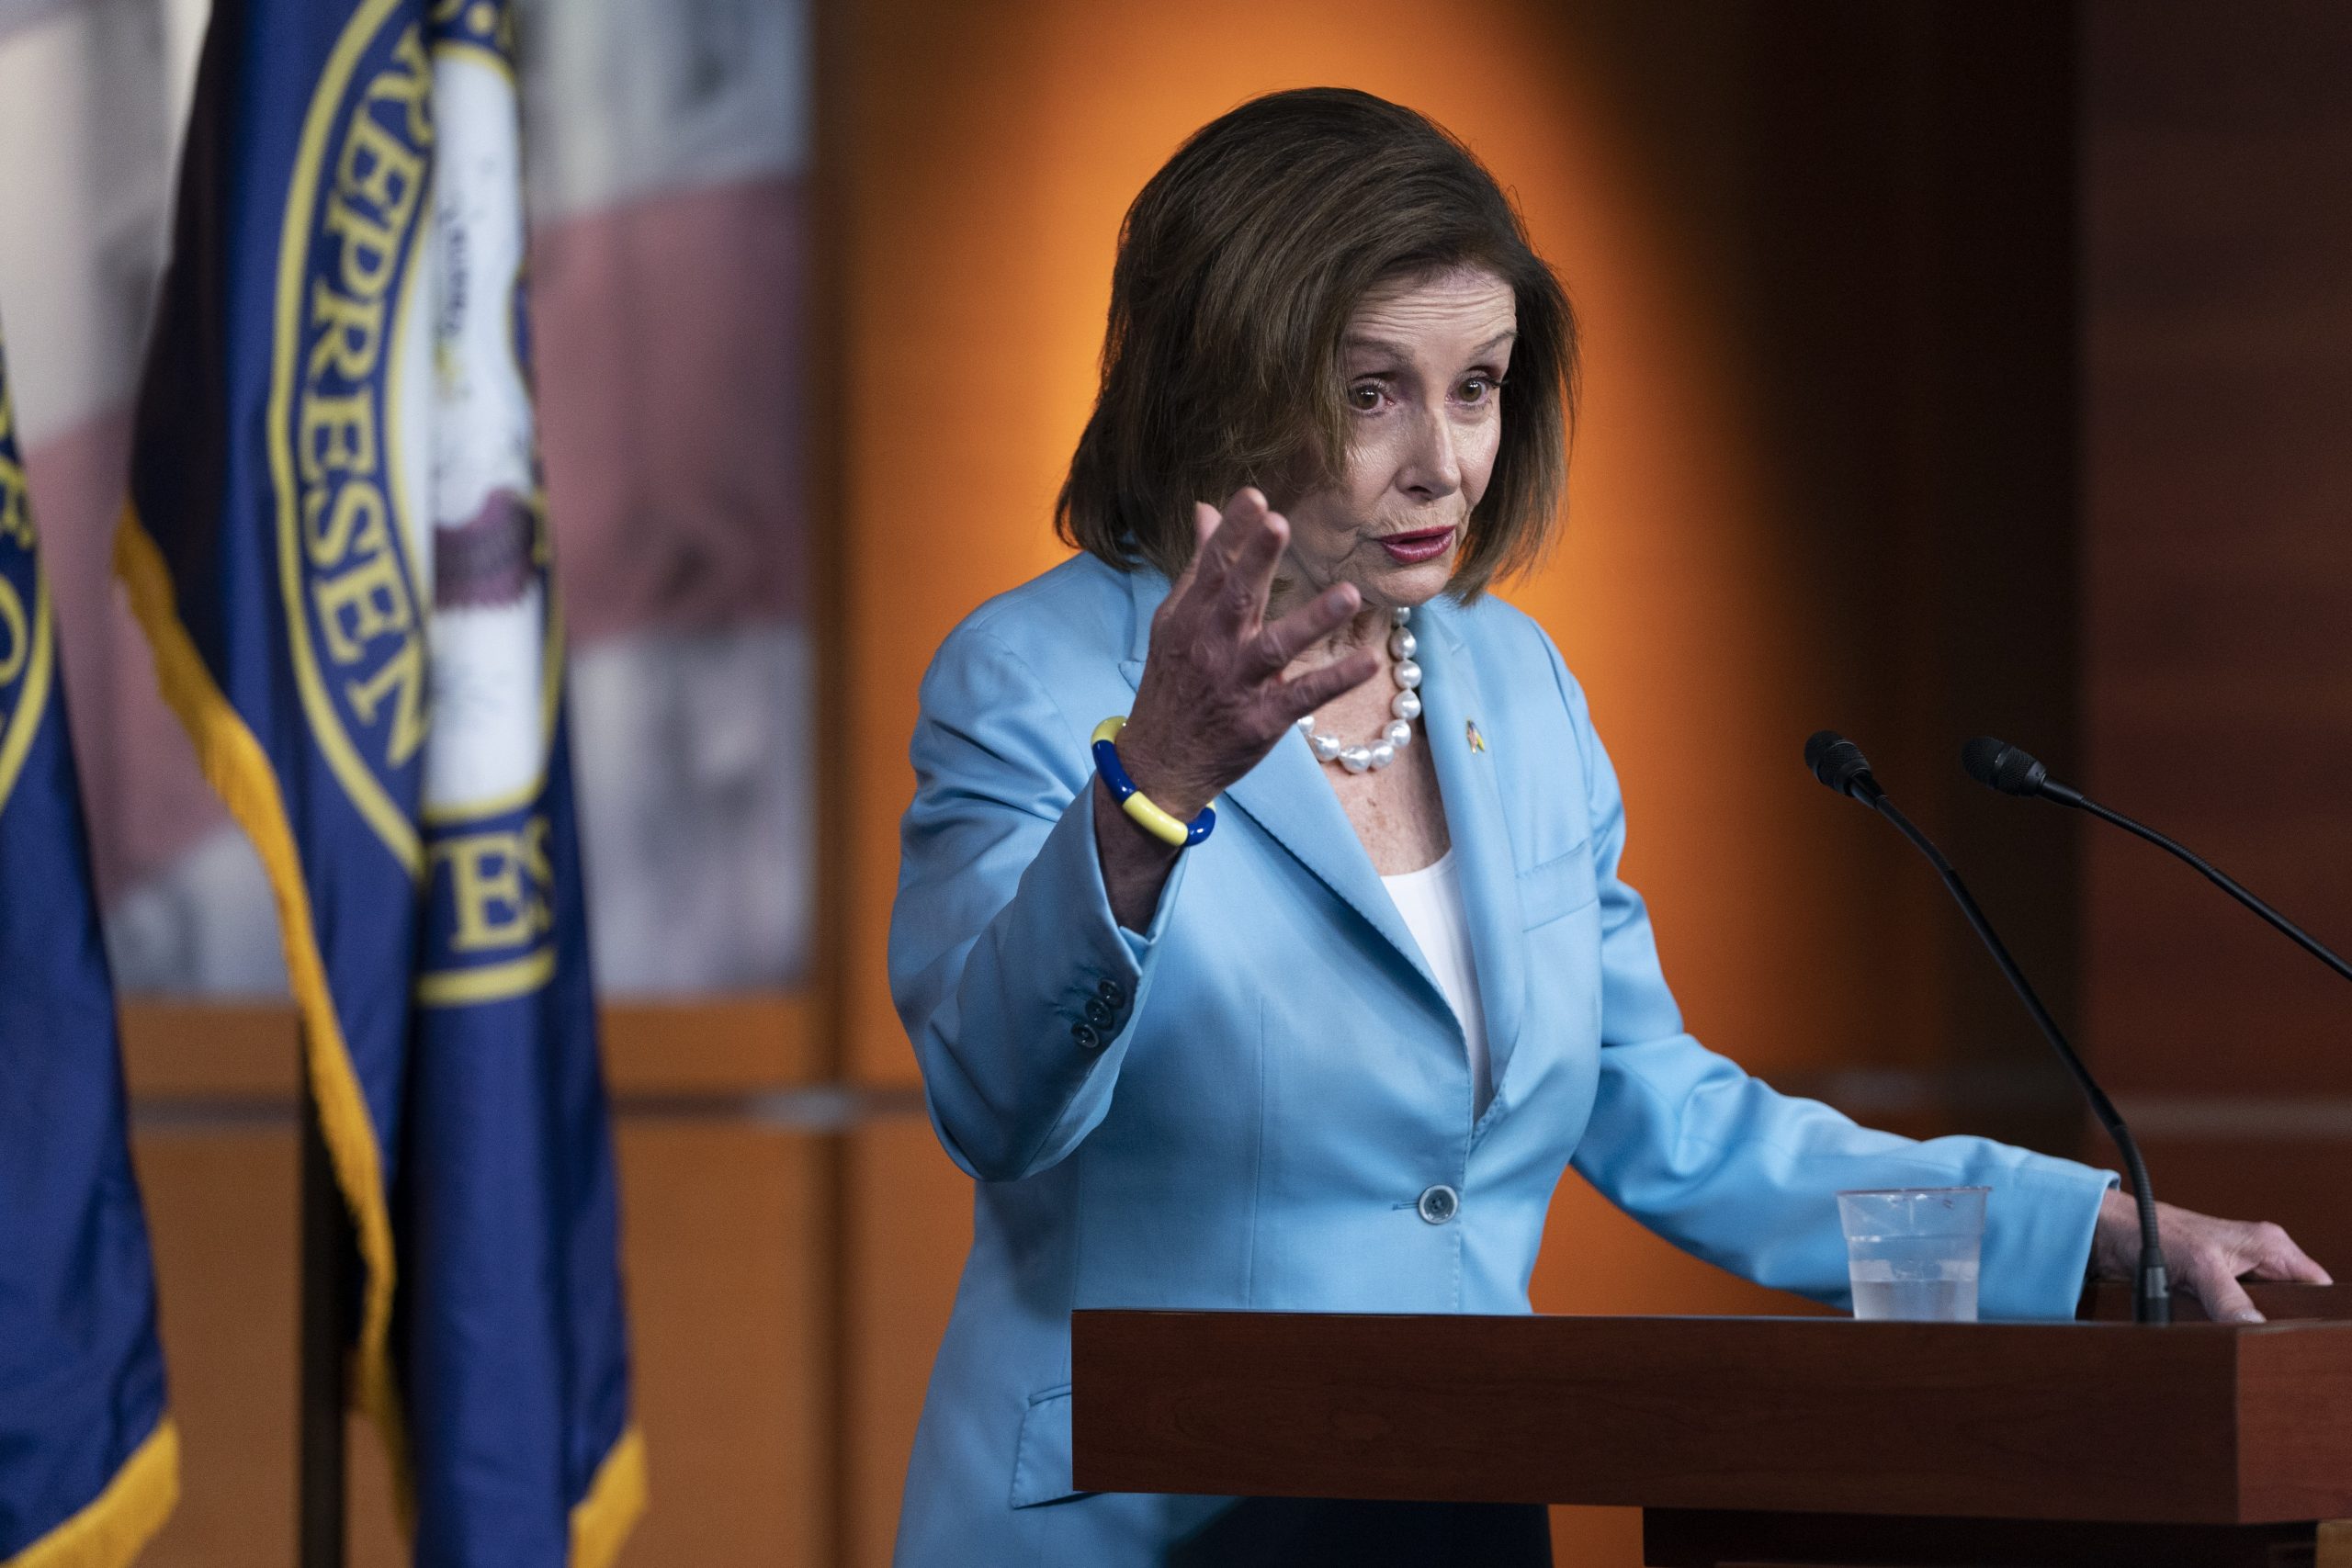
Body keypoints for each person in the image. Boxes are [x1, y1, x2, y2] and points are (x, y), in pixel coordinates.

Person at [886, 87, 2326, 1568]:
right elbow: (996, 1104)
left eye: (1478, 387)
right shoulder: (1034, 678)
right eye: (1372, 394)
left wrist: (2073, 1228)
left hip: (1446, 1514)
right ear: (1221, 385)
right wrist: (1155, 783)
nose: (1443, 462)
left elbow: (1664, 1109)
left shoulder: (1516, 683)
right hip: (1132, 1519)